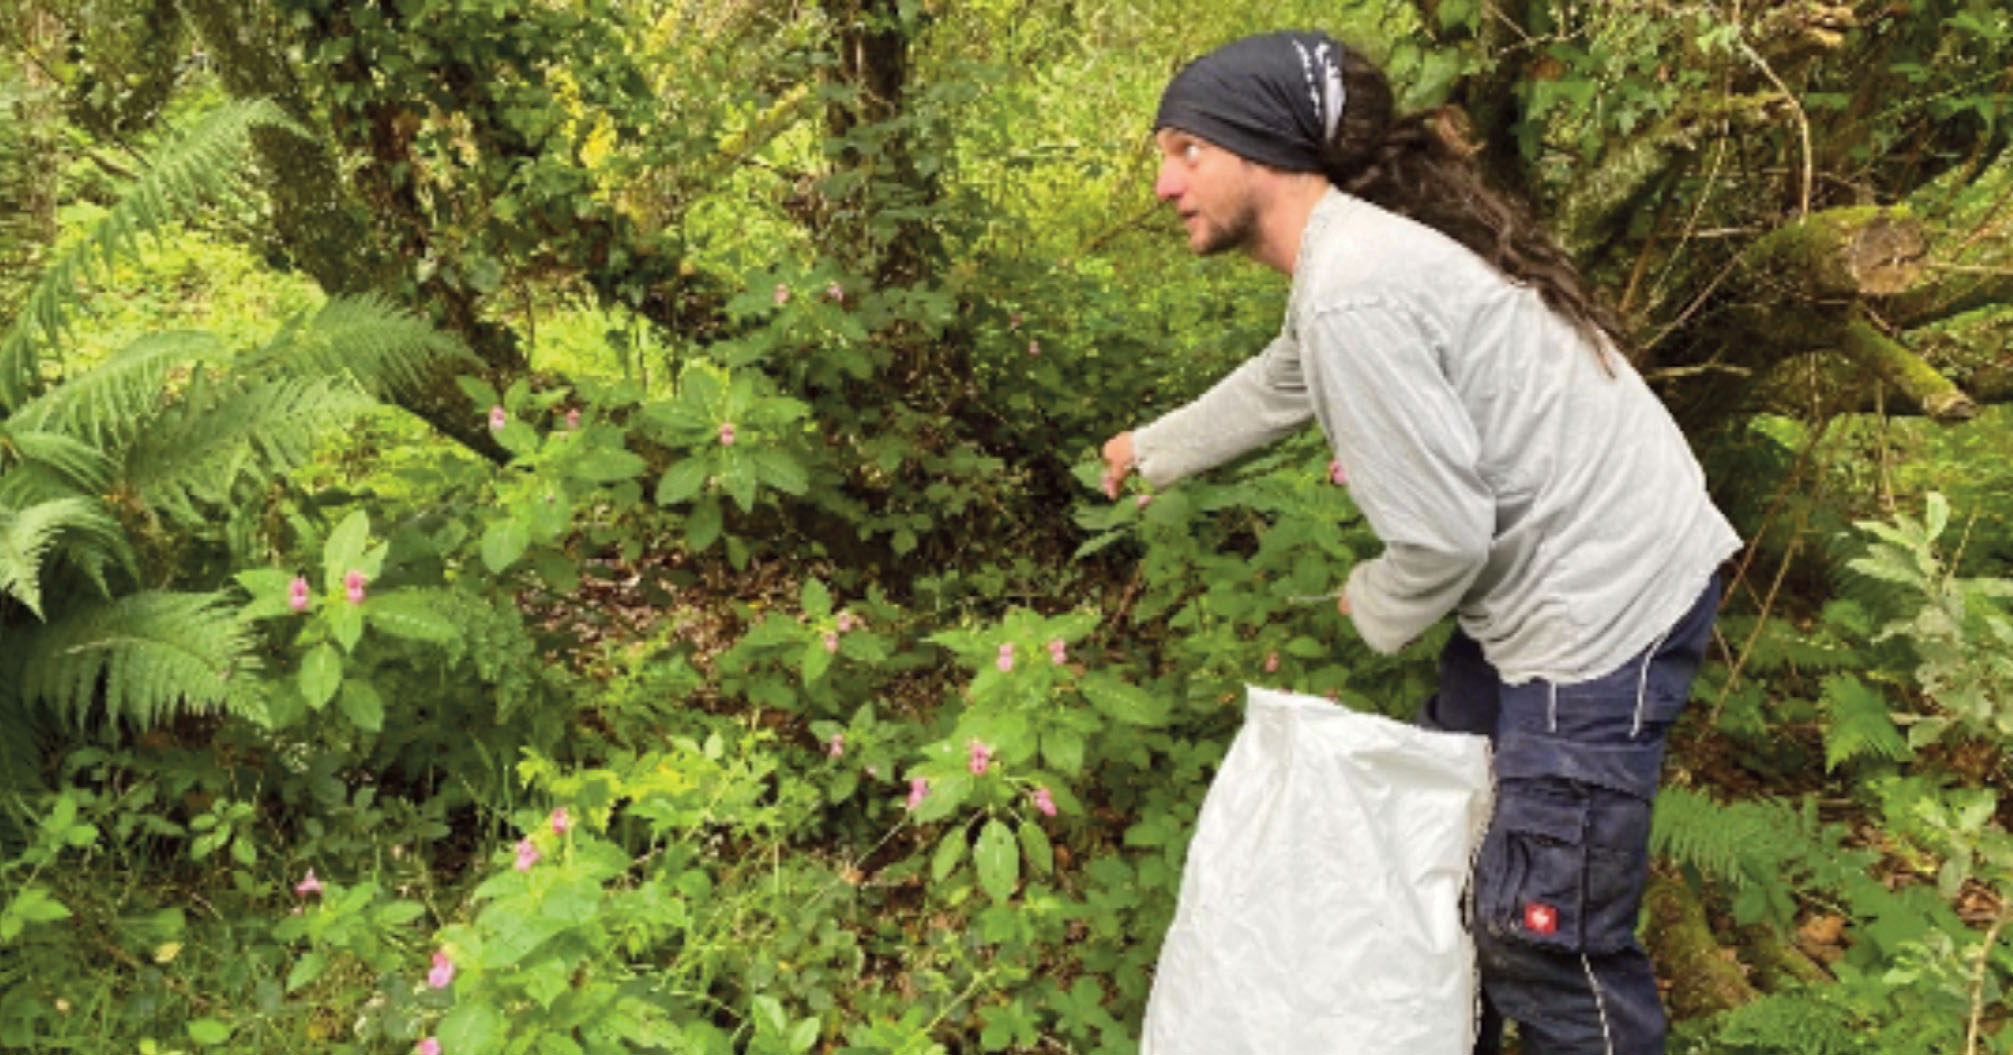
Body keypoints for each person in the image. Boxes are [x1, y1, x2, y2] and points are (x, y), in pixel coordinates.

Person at [1099, 30, 1742, 1055]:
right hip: (1542, 587)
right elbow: (1286, 376)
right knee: (1452, 843)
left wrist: (1377, 598)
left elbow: (1442, 539)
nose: (1164, 181)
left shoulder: (1358, 283)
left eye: (1187, 150)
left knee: (1546, 931)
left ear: (1263, 149)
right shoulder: (1350, 261)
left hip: (1600, 605)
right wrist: (1155, 448)